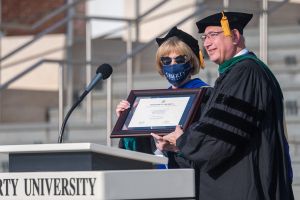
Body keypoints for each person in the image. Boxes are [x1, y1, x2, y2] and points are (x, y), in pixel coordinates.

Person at [152, 12, 294, 199]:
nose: (207, 43)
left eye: (213, 35)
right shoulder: (237, 73)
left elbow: (221, 135)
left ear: (234, 36)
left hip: (242, 187)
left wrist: (185, 141)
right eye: (205, 37)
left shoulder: (245, 72)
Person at [116, 26, 210, 168]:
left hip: (193, 177)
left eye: (179, 59)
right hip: (162, 178)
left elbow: (211, 145)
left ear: (191, 62)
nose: (172, 65)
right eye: (166, 60)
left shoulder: (205, 96)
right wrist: (128, 125)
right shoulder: (156, 102)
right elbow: (143, 151)